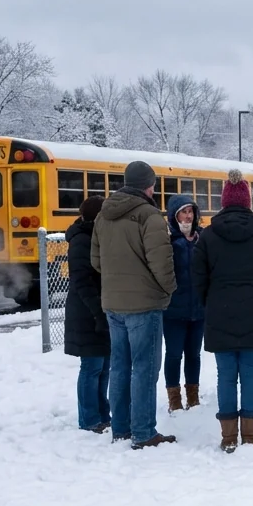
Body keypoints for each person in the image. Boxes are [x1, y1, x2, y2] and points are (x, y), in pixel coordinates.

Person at [194, 171, 253, 451]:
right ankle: (250, 434)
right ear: (247, 202)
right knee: (251, 373)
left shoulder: (208, 235)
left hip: (220, 311)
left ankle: (228, 435)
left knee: (225, 375)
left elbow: (197, 276)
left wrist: (211, 299)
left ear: (222, 202)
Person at [91, 160, 177, 450]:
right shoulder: (149, 216)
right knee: (144, 369)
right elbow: (161, 264)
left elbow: (96, 261)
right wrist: (169, 290)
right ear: (149, 185)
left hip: (113, 304)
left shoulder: (103, 215)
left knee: (119, 367)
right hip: (144, 304)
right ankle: (143, 432)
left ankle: (121, 428)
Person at [64, 195, 110, 434]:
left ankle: (103, 414)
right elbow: (82, 281)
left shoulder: (96, 236)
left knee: (103, 366)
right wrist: (98, 311)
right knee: (92, 366)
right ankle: (89, 419)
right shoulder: (82, 240)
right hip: (87, 312)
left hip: (98, 309)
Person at [163, 194, 205, 413]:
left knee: (194, 354)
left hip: (198, 310)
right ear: (174, 215)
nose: (188, 216)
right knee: (173, 354)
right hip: (173, 310)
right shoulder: (167, 240)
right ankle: (174, 398)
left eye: (191, 212)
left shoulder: (202, 239)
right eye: (183, 212)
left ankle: (193, 396)